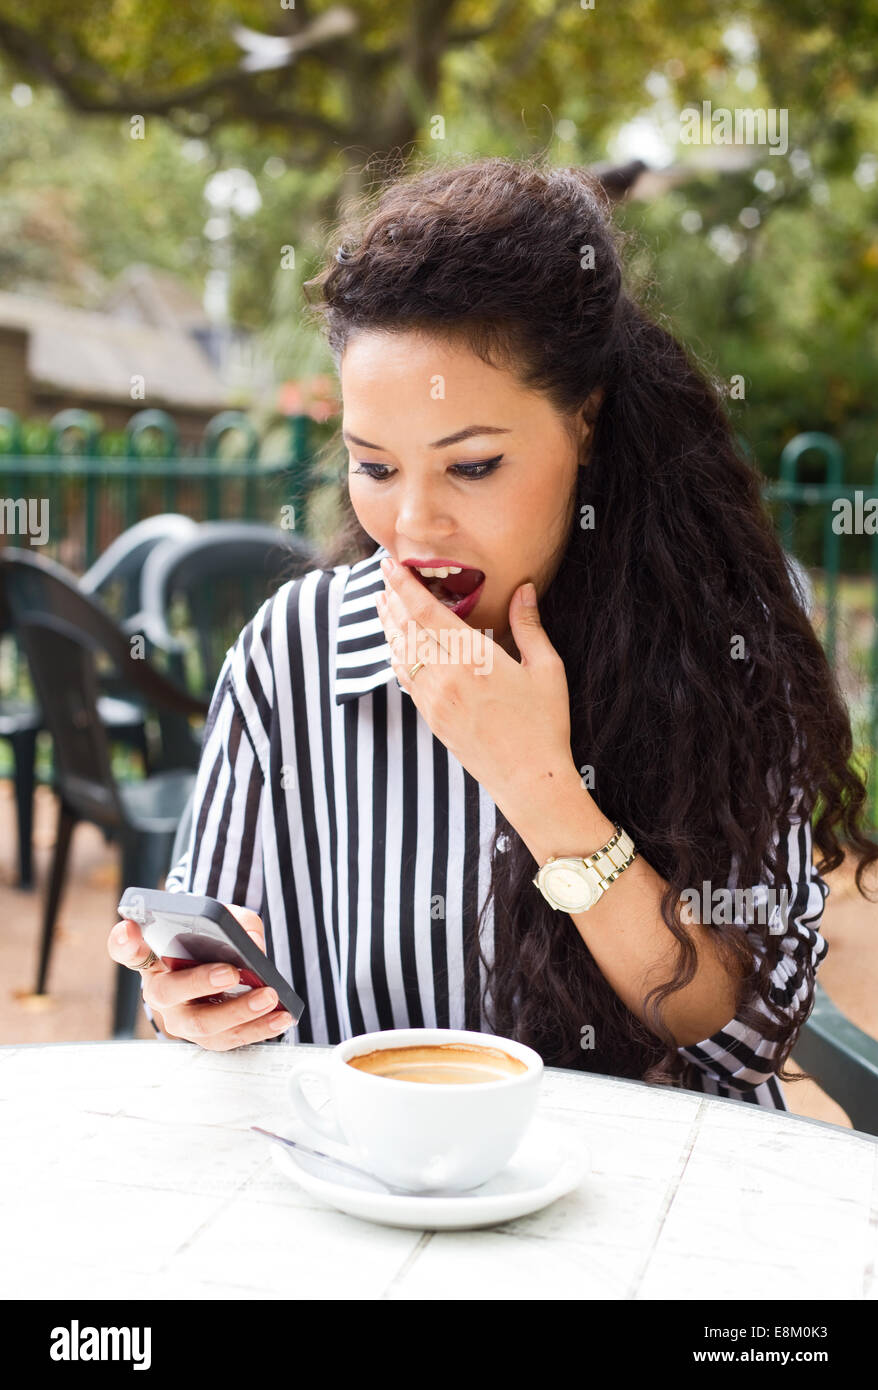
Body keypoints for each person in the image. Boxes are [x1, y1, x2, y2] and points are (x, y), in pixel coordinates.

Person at [107, 155, 878, 1108]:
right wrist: (188, 1001)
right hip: (376, 1191)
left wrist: (537, 783)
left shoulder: (722, 645)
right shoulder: (295, 650)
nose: (415, 525)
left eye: (471, 467)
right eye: (375, 467)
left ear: (586, 424)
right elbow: (208, 971)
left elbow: (746, 1038)